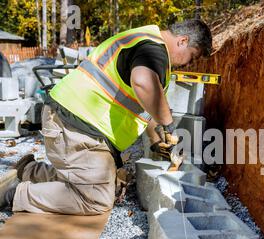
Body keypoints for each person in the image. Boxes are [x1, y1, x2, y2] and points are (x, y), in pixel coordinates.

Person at [2, 19, 212, 215]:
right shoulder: (154, 50)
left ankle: (26, 171)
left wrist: (157, 141)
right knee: (96, 198)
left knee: (98, 181)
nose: (188, 64)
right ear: (182, 41)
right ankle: (14, 194)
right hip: (77, 127)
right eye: (192, 56)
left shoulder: (145, 39)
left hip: (72, 121)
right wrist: (168, 124)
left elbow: (143, 104)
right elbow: (143, 83)